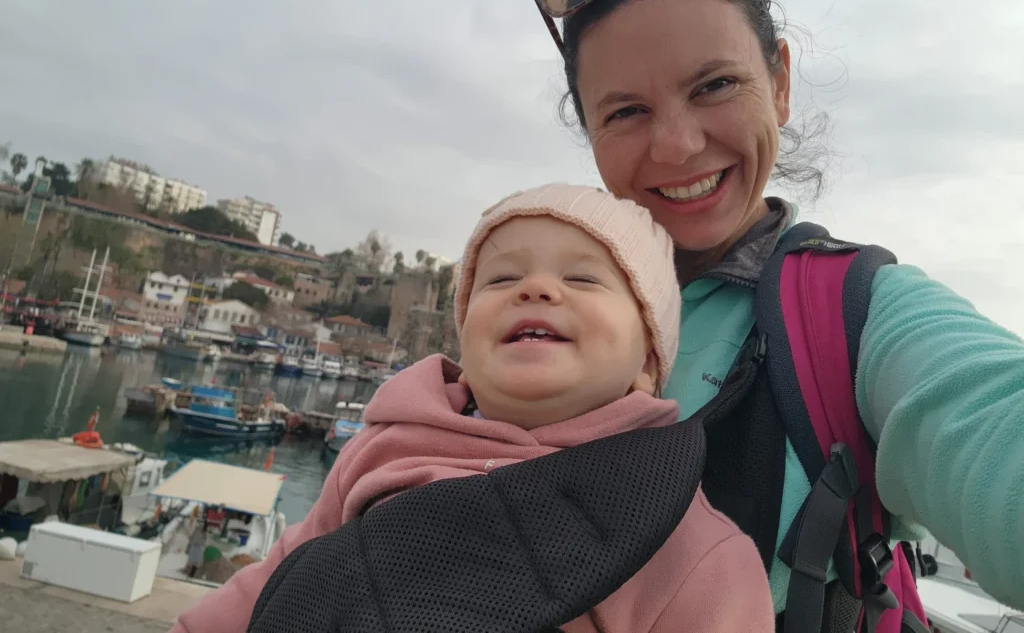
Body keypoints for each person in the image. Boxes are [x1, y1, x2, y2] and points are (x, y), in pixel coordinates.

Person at [529, 0, 1024, 623]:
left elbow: (985, 416)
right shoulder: (542, 296)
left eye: (716, 85)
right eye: (626, 111)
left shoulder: (855, 316)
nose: (678, 146)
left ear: (781, 81)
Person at [172, 183, 775, 633]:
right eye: (500, 277)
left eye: (585, 280)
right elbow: (277, 578)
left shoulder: (690, 546)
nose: (535, 289)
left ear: (648, 360)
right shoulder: (384, 447)